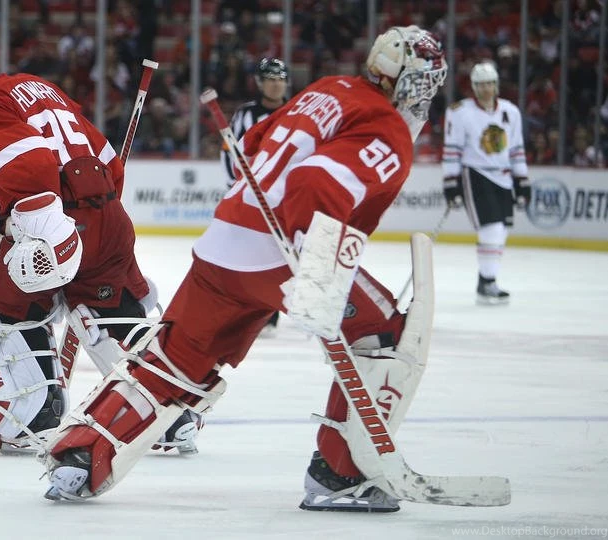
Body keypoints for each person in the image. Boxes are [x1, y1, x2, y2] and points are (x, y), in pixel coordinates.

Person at [40, 25, 447, 512]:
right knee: (388, 337)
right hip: (281, 254)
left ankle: (81, 456)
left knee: (174, 361)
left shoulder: (328, 88)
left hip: (224, 242)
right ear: (401, 80)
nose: (425, 99)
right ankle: (342, 474)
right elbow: (316, 181)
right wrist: (316, 269)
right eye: (423, 85)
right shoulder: (387, 125)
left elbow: (253, 145)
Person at [0, 37, 201, 455]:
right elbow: (107, 159)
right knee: (114, 313)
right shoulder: (39, 87)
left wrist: (46, 224)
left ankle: (34, 410)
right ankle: (169, 413)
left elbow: (32, 164)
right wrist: (99, 210)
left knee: (3, 302)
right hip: (106, 212)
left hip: (53, 216)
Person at [442, 61, 530, 305]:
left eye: (490, 84)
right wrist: (451, 183)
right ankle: (488, 282)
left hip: (504, 177)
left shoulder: (510, 112)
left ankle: (485, 280)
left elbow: (516, 149)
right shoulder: (460, 112)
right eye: (481, 85)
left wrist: (522, 181)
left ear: (497, 85)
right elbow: (452, 150)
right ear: (473, 87)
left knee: (501, 232)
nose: (486, 89)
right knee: (490, 228)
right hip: (476, 175)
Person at [220, 57, 290, 336]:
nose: (276, 85)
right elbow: (231, 152)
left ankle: (273, 311)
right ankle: (249, 309)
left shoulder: (296, 111)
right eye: (270, 79)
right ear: (261, 83)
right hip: (250, 197)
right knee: (247, 254)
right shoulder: (246, 115)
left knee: (279, 256)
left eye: (280, 78)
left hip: (285, 198)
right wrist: (235, 188)